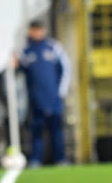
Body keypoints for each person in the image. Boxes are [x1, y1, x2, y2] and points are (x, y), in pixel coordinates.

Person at [16, 20, 71, 168]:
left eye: (40, 29)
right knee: (36, 130)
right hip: (35, 99)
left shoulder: (54, 47)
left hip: (54, 97)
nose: (38, 33)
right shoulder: (25, 51)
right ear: (30, 31)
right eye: (35, 30)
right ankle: (36, 159)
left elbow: (66, 68)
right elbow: (18, 70)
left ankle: (60, 159)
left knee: (57, 130)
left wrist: (61, 91)